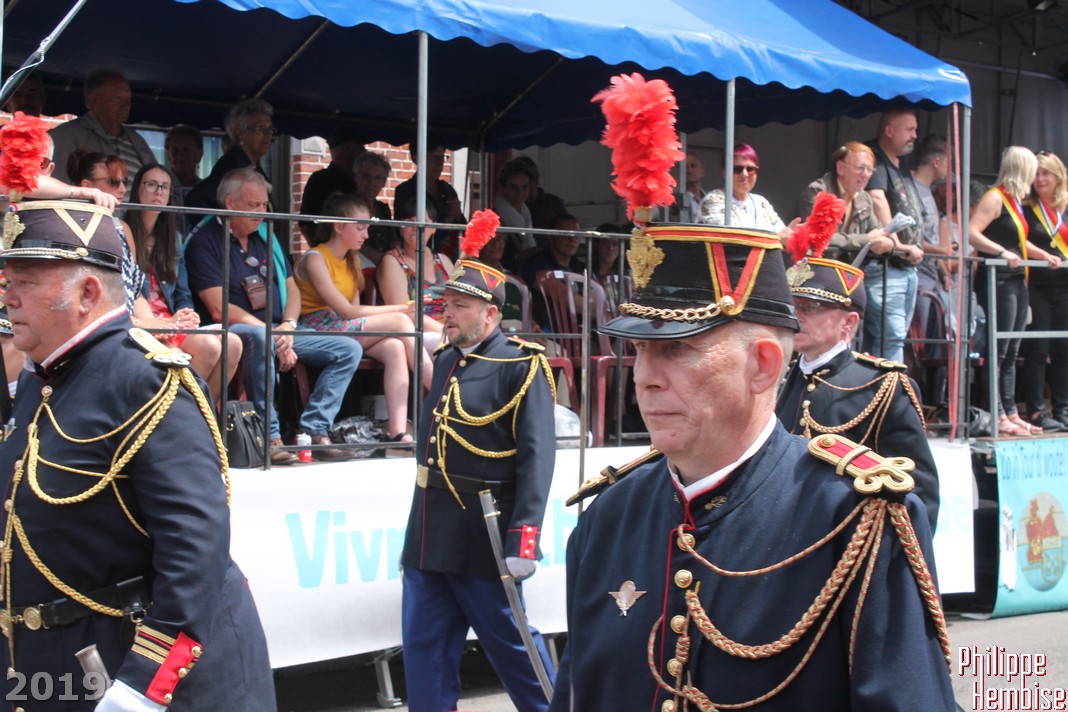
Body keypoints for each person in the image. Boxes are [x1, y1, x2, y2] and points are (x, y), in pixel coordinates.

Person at [551, 223, 954, 711]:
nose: (646, 378)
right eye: (639, 349)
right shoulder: (608, 517)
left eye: (678, 348)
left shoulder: (855, 519)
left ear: (762, 365)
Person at [0, 198, 274, 710]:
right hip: (52, 669)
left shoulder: (147, 381)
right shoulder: (42, 377)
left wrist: (143, 688)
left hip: (136, 670)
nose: (7, 297)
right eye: (7, 281)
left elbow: (193, 554)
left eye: (25, 283)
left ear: (87, 293)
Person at [400, 248, 557, 712]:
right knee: (425, 655)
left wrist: (524, 537)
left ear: (491, 314)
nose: (447, 314)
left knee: (515, 651)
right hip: (429, 531)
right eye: (446, 304)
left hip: (485, 532)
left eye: (460, 306)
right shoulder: (446, 358)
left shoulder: (522, 364)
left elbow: (537, 458)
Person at [185, 167, 362, 463]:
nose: (261, 212)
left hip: (280, 330)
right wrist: (272, 333)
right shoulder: (205, 240)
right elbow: (218, 306)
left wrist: (288, 326)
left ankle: (315, 429)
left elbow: (292, 288)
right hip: (236, 331)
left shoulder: (266, 236)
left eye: (263, 205)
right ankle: (269, 436)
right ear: (229, 203)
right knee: (259, 336)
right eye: (253, 205)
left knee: (348, 348)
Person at [776, 256, 940, 531]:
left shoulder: (881, 384)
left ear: (849, 322)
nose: (797, 316)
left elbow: (917, 492)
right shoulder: (780, 379)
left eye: (811, 307)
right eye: (793, 305)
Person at [294, 193, 432, 443]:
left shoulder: (351, 260)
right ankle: (441, 390)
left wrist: (400, 311)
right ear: (338, 227)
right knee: (401, 322)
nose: (366, 235)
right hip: (317, 329)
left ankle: (398, 432)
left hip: (344, 328)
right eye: (360, 228)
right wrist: (401, 309)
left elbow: (355, 314)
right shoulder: (315, 258)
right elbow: (347, 312)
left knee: (394, 347)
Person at [128, 162, 243, 406]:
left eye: (164, 187)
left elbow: (182, 294)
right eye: (151, 185)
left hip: (171, 318)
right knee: (208, 347)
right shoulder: (124, 233)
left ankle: (203, 414)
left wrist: (187, 314)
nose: (158, 192)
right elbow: (130, 294)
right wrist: (163, 322)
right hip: (143, 320)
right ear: (138, 189)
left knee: (232, 343)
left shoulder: (173, 239)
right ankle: (180, 414)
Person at [968, 146, 1062, 436]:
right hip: (998, 279)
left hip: (1017, 279)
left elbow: (1018, 240)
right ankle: (997, 414)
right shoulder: (995, 197)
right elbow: (972, 232)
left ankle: (1010, 412)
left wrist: (1043, 254)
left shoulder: (1015, 202)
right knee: (998, 351)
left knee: (1011, 351)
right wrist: (1001, 252)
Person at [862, 108, 926, 363]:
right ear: (889, 131)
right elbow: (877, 199)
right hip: (886, 266)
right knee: (890, 338)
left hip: (904, 267)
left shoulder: (900, 162)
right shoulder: (875, 158)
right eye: (909, 129)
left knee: (890, 339)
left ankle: (878, 385)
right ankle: (890, 387)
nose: (915, 136)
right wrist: (897, 245)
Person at [1020, 151, 1068, 432]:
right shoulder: (1026, 208)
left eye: (1045, 173)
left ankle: (1062, 409)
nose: (1039, 179)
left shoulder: (1066, 207)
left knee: (1064, 349)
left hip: (1065, 288)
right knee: (1037, 350)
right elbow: (1018, 239)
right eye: (1036, 174)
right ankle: (1037, 411)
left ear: (1058, 176)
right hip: (1036, 287)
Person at [48, 68, 155, 181]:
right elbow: (56, 183)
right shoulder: (66, 136)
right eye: (119, 98)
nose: (127, 105)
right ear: (94, 100)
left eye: (128, 99)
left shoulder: (137, 141)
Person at [376, 198, 453, 351]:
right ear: (401, 228)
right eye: (410, 221)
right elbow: (404, 313)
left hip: (450, 330)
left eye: (423, 221)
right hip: (416, 334)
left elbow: (460, 302)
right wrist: (446, 332)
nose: (416, 227)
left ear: (434, 227)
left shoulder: (444, 261)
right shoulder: (392, 261)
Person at [796, 142, 890, 262]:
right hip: (809, 266)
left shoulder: (865, 199)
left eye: (870, 170)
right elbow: (818, 237)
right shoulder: (818, 192)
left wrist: (889, 244)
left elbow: (877, 232)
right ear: (840, 168)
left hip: (845, 270)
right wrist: (865, 240)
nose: (865, 174)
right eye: (860, 168)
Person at [185, 99, 275, 216]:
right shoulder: (232, 165)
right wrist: (221, 226)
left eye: (270, 129)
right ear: (240, 132)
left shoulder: (253, 164)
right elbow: (195, 200)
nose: (268, 134)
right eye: (260, 128)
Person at [699, 142, 797, 239]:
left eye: (750, 169)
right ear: (724, 172)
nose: (745, 174)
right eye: (737, 169)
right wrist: (777, 237)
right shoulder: (712, 201)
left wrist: (794, 234)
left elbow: (782, 233)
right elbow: (733, 239)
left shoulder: (761, 203)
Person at [393, 132, 466, 260]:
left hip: (450, 258)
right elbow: (410, 233)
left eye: (441, 157)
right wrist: (447, 221)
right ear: (416, 158)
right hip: (420, 258)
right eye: (432, 157)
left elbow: (463, 229)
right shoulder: (406, 191)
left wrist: (458, 215)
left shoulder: (447, 189)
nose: (439, 163)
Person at [297, 126, 364, 239]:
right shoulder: (320, 180)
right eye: (359, 149)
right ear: (347, 149)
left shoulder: (360, 179)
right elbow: (306, 224)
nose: (362, 154)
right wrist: (320, 247)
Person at [494, 158, 538, 269]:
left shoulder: (532, 212)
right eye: (513, 187)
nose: (520, 192)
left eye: (524, 187)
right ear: (503, 188)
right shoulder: (493, 218)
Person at [352, 150, 396, 262]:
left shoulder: (383, 209)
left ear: (384, 182)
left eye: (377, 178)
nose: (371, 182)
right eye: (366, 176)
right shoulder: (345, 206)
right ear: (356, 177)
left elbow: (394, 241)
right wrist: (383, 259)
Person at [515, 155, 566, 231]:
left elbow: (566, 228)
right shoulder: (511, 205)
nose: (521, 190)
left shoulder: (554, 203)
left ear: (536, 179)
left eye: (525, 184)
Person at [165, 124, 205, 191]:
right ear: (168, 154)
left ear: (199, 154)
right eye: (175, 150)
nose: (180, 156)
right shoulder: (160, 187)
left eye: (186, 151)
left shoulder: (205, 189)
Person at [669, 152, 706, 222]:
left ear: (702, 172)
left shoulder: (710, 198)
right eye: (686, 167)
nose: (689, 171)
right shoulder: (674, 201)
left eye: (693, 166)